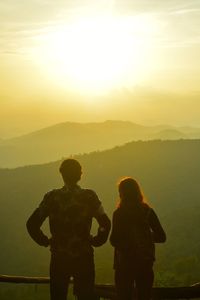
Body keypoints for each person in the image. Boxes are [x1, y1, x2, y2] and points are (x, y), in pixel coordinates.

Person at [26, 158, 111, 300]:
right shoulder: (89, 196)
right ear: (80, 175)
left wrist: (46, 241)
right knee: (86, 296)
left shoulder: (51, 197)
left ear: (62, 174)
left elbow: (31, 224)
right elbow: (105, 223)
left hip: (59, 257)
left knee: (58, 296)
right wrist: (97, 240)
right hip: (84, 257)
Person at [110, 177, 166, 300]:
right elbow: (162, 237)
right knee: (144, 296)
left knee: (124, 296)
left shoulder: (119, 214)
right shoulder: (148, 212)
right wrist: (145, 237)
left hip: (123, 264)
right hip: (145, 263)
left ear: (122, 193)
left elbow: (113, 240)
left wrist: (127, 244)